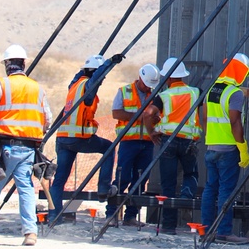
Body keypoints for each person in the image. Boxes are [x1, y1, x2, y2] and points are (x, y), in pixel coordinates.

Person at [0, 44, 52, 246]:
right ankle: (30, 233)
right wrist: (37, 133)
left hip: (5, 148)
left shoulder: (2, 84)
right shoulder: (37, 88)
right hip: (29, 149)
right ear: (23, 64)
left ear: (7, 65)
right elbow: (47, 118)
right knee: (25, 189)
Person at [49, 55, 118, 217]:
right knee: (108, 148)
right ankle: (103, 189)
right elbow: (97, 78)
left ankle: (54, 216)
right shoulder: (88, 88)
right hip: (79, 138)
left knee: (59, 181)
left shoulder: (74, 86)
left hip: (63, 138)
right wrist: (110, 63)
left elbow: (82, 75)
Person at [201, 54, 249, 241]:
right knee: (226, 191)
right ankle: (223, 231)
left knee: (210, 188)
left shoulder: (211, 89)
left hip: (211, 147)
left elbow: (204, 118)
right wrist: (243, 148)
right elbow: (235, 121)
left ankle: (205, 229)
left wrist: (211, 137)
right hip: (228, 150)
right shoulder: (234, 93)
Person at [147, 58, 201, 234]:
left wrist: (151, 131)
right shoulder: (195, 92)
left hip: (168, 141)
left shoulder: (163, 97)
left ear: (169, 78)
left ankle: (169, 226)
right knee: (191, 173)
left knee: (168, 184)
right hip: (188, 141)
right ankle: (186, 199)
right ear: (183, 77)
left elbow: (148, 113)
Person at [108, 64, 161, 225]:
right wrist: (139, 117)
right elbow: (116, 113)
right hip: (128, 142)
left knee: (140, 180)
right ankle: (111, 214)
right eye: (146, 84)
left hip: (147, 143)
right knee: (121, 178)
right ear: (140, 78)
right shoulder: (124, 91)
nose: (148, 87)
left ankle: (130, 216)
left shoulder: (155, 95)